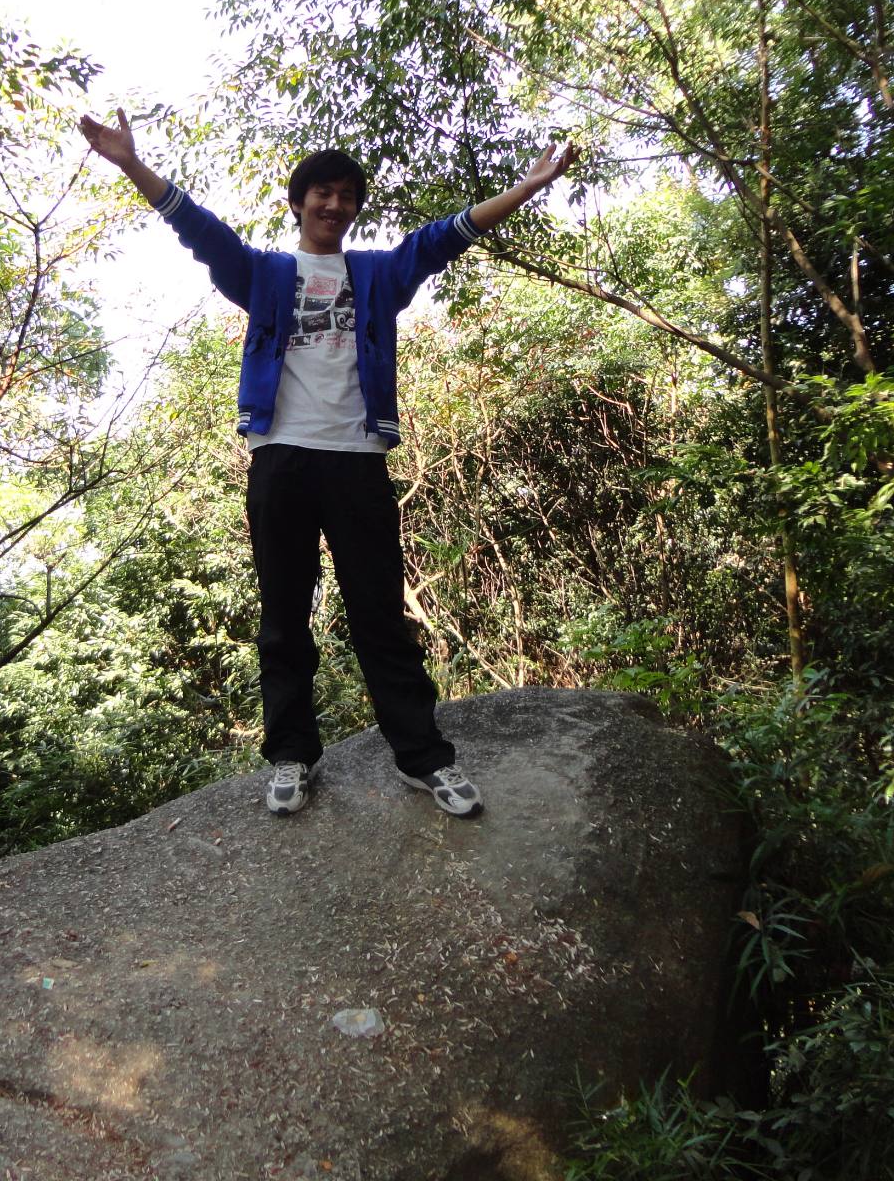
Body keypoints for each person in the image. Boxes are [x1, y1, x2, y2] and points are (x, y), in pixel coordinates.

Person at [78, 108, 574, 818]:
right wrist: (130, 164)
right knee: (284, 615)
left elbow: (445, 239)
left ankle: (423, 759)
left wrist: (526, 188)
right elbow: (201, 231)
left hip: (357, 460)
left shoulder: (376, 275)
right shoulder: (264, 274)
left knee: (380, 616)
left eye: (347, 196)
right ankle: (291, 756)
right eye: (323, 193)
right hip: (280, 458)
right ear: (299, 202)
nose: (335, 205)